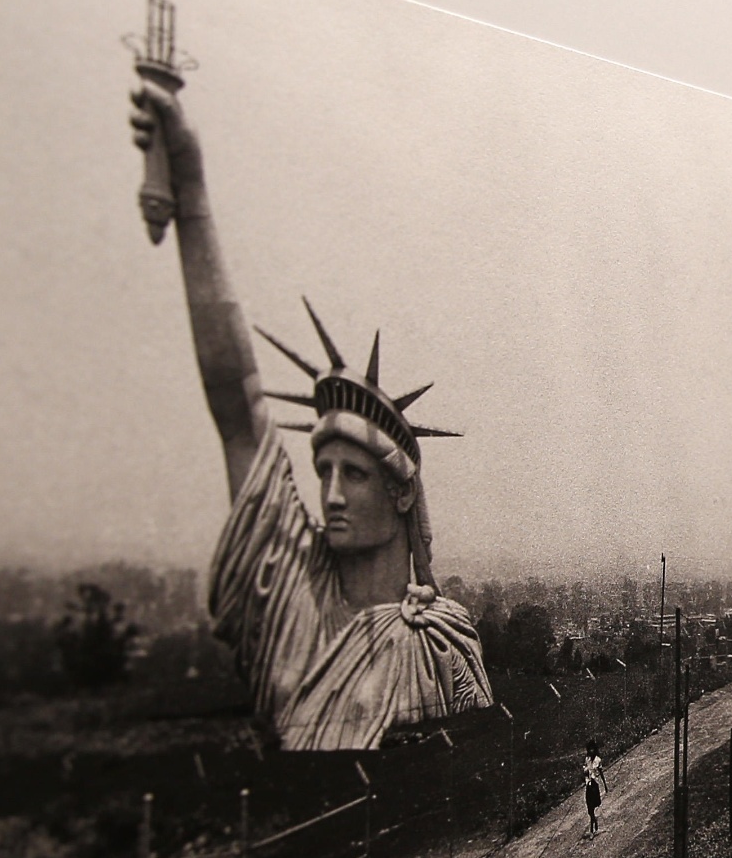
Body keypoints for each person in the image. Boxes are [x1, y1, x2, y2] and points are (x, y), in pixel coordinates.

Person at [128, 78, 492, 750]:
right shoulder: (289, 597)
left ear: (401, 488)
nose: (329, 494)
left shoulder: (443, 644)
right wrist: (193, 192)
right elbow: (237, 405)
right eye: (321, 468)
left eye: (353, 473)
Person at [582, 740, 608, 837]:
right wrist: (585, 772)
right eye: (590, 749)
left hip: (594, 785)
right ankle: (594, 823)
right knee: (589, 809)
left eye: (593, 749)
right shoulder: (587, 759)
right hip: (588, 785)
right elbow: (584, 772)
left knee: (593, 806)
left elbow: (601, 773)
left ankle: (592, 830)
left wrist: (605, 785)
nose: (591, 751)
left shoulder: (598, 760)